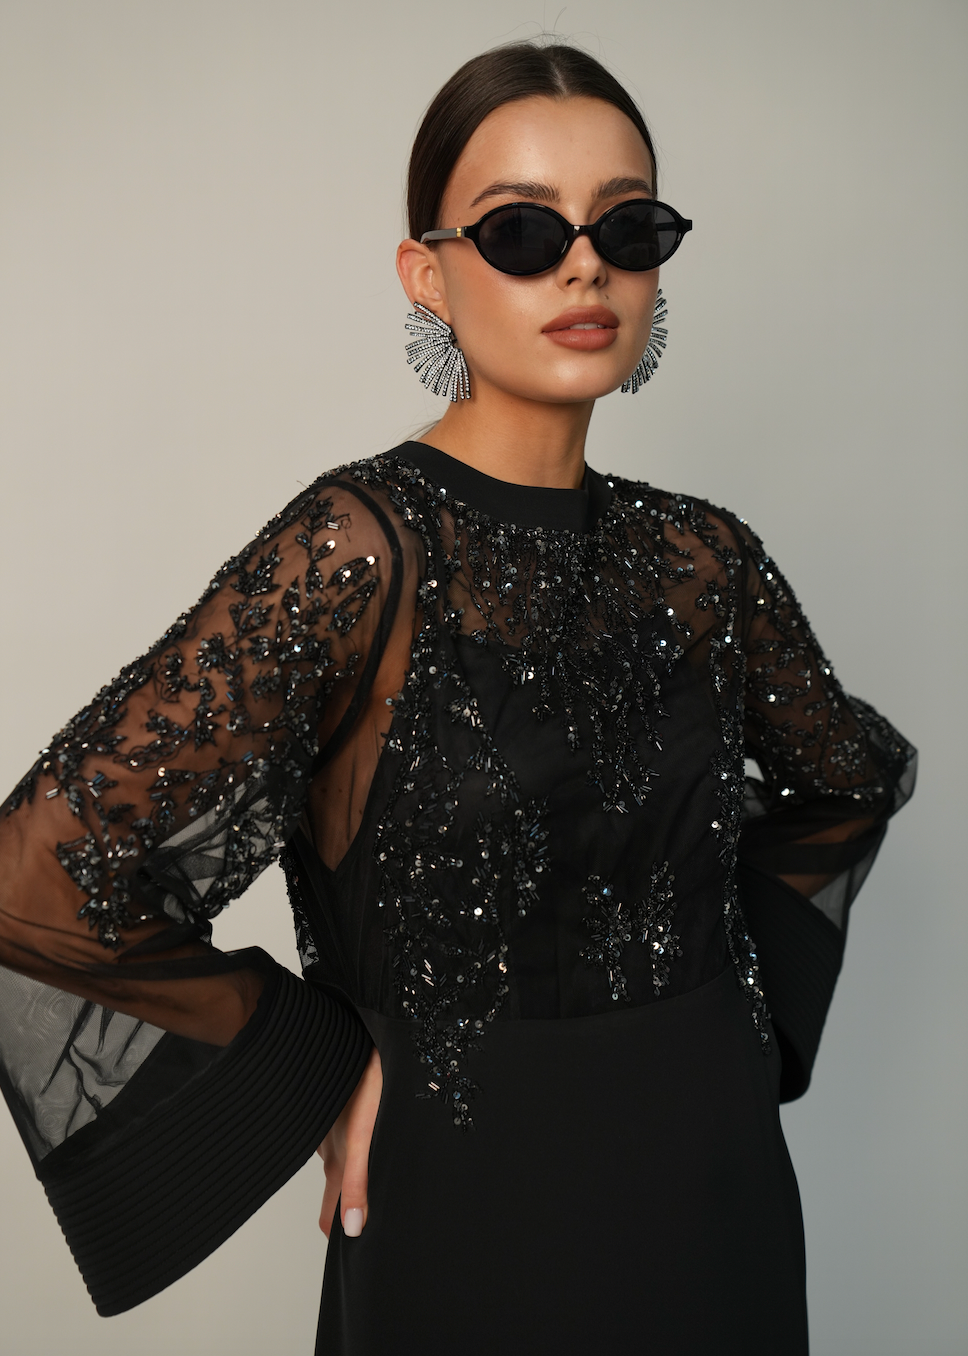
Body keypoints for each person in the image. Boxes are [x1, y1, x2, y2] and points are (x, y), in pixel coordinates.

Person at [0, 40, 915, 1355]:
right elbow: (39, 875)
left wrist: (734, 1024)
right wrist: (313, 1067)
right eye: (524, 231)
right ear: (426, 275)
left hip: (715, 1201)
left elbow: (848, 778)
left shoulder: (706, 561)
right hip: (464, 1210)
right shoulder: (359, 551)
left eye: (627, 226)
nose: (585, 266)